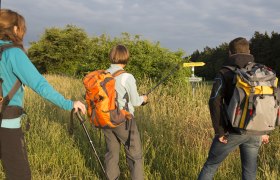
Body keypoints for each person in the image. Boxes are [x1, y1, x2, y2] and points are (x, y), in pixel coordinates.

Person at [0, 9, 86, 180]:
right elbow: (39, 84)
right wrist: (69, 104)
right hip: (6, 126)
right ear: (15, 29)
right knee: (20, 175)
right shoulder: (13, 53)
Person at [198, 37, 269, 180]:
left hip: (232, 131)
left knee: (211, 166)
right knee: (249, 172)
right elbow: (266, 102)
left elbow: (214, 102)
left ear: (230, 53)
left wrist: (220, 131)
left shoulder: (224, 72)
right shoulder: (261, 72)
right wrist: (264, 130)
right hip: (256, 130)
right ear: (249, 51)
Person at [102, 44, 148, 180]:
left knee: (112, 154)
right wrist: (144, 98)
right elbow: (135, 101)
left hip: (105, 118)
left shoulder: (104, 74)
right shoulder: (127, 77)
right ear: (126, 57)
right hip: (124, 120)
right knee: (135, 156)